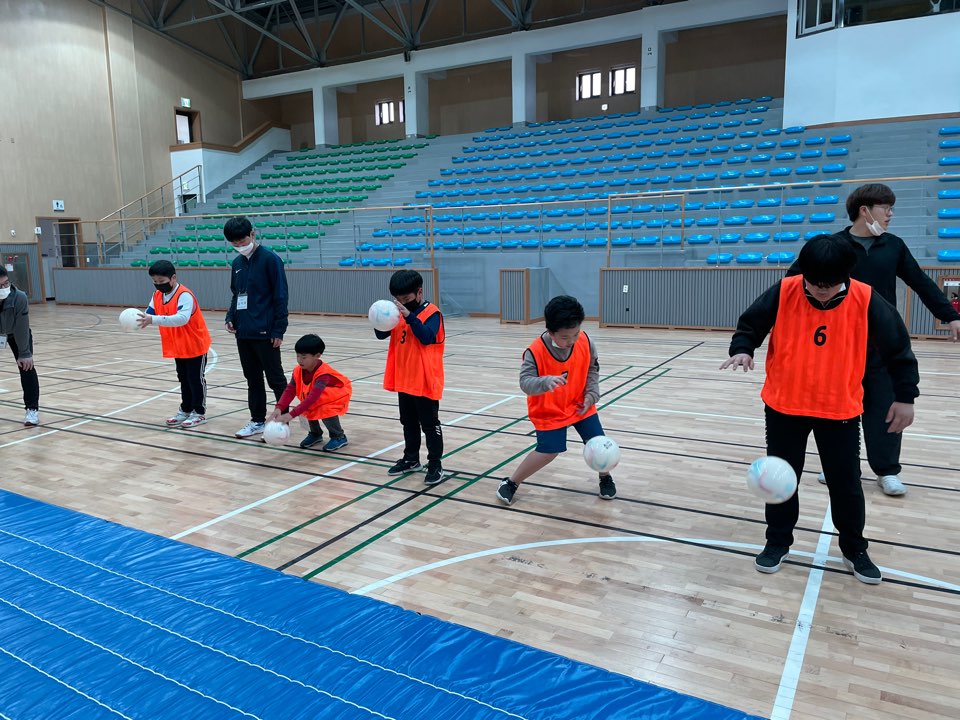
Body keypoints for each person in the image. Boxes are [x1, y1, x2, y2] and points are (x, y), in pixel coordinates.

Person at [722, 235, 919, 584]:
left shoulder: (866, 299)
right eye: (814, 284)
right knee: (781, 480)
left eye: (829, 285)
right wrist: (743, 348)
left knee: (846, 484)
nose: (821, 292)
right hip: (784, 405)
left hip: (839, 409)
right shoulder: (785, 290)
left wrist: (905, 397)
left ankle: (855, 548)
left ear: (846, 275)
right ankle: (777, 541)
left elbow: (898, 350)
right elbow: (751, 323)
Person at [787, 184, 960, 497]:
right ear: (864, 210)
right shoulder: (832, 245)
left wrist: (951, 315)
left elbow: (921, 283)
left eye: (891, 209)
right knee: (838, 410)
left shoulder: (894, 246)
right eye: (886, 208)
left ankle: (887, 470)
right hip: (838, 345)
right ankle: (839, 464)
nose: (890, 214)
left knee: (884, 407)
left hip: (881, 345)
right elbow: (793, 281)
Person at [497, 295, 616, 506]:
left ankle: (605, 477)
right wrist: (545, 382)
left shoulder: (585, 341)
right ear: (551, 332)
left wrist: (591, 395)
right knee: (548, 452)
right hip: (549, 411)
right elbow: (525, 382)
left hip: (580, 404)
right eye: (565, 337)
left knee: (599, 444)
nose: (572, 341)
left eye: (576, 334)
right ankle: (512, 482)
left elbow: (592, 370)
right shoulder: (535, 351)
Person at [376, 269, 447, 486]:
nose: (402, 303)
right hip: (404, 378)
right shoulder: (397, 313)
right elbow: (380, 334)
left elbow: (426, 337)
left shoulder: (432, 313)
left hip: (425, 380)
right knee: (408, 422)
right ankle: (411, 459)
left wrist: (409, 316)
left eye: (406, 298)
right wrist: (379, 317)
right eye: (398, 299)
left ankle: (435, 464)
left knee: (430, 424)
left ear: (419, 292)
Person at [223, 216, 289, 439]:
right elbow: (236, 295)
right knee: (252, 379)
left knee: (276, 379)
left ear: (252, 234)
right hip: (244, 332)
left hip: (266, 331)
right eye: (234, 243)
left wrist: (279, 329)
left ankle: (283, 421)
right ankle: (257, 421)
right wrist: (231, 316)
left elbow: (281, 296)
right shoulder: (237, 264)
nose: (239, 246)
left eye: (242, 241)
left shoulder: (270, 259)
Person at [136, 260, 211, 429]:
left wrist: (152, 319)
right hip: (178, 346)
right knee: (183, 378)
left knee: (195, 379)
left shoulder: (184, 295)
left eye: (161, 281)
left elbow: (182, 319)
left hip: (195, 345)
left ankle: (199, 413)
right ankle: (186, 409)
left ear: (173, 278)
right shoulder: (157, 295)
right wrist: (137, 319)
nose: (158, 284)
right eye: (155, 281)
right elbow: (149, 313)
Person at [268, 334, 351, 451]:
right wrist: (279, 408)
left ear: (317, 356)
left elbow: (312, 399)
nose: (299, 360)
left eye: (304, 357)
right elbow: (290, 389)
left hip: (336, 396)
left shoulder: (323, 374)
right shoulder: (298, 370)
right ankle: (315, 433)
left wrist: (290, 415)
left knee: (324, 408)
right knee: (306, 406)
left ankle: (339, 436)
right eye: (297, 356)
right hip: (317, 396)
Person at [0, 267, 40, 427]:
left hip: (16, 332)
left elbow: (22, 327)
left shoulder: (19, 297)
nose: (4, 288)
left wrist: (24, 353)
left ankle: (32, 410)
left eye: (6, 283)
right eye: (0, 286)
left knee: (26, 367)